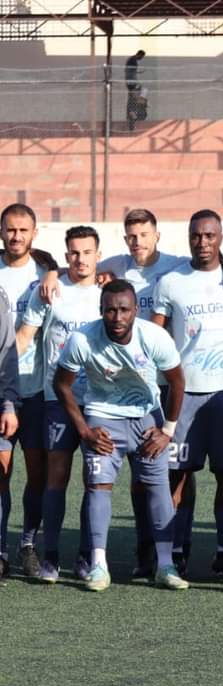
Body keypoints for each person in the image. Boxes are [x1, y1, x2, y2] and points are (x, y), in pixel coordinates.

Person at [40, 207, 223, 578]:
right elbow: (81, 263)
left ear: (158, 236)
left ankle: (199, 553)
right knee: (168, 475)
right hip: (133, 394)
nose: (138, 242)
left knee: (204, 474)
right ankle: (150, 554)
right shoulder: (125, 268)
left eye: (144, 234)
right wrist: (52, 271)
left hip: (200, 389)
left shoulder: (180, 268)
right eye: (132, 236)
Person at [53, 279, 187, 592]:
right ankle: (99, 565)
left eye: (124, 310)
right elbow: (61, 384)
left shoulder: (154, 336)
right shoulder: (82, 339)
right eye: (110, 310)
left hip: (146, 420)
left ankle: (165, 565)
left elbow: (177, 381)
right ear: (101, 310)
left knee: (158, 487)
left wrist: (167, 431)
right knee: (98, 487)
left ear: (136, 309)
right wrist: (84, 429)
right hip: (103, 419)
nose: (117, 317)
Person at [151, 209, 223, 581]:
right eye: (196, 236)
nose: (202, 242)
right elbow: (155, 334)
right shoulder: (171, 282)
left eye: (209, 236)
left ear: (221, 237)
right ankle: (177, 552)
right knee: (177, 475)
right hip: (184, 394)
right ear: (188, 237)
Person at [17, 226, 103, 582]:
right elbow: (24, 337)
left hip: (99, 403)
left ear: (98, 255)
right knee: (56, 477)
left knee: (94, 480)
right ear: (66, 255)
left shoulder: (107, 292)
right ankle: (50, 557)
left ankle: (85, 557)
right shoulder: (49, 291)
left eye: (87, 252)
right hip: (57, 400)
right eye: (74, 252)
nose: (80, 259)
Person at [0, 203, 57, 577]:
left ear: (35, 233)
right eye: (10, 229)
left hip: (36, 391)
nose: (16, 236)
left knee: (38, 474)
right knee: (1, 472)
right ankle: (0, 549)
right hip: (0, 391)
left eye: (23, 230)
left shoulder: (47, 273)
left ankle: (28, 544)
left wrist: (54, 270)